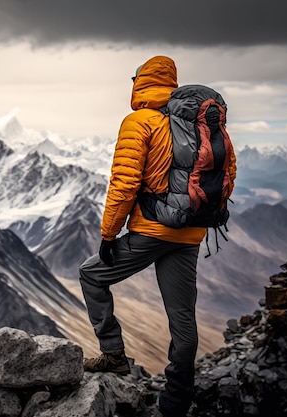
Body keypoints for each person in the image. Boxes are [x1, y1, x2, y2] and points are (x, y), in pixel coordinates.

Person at [78, 55, 237, 417]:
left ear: (140, 82)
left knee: (92, 274)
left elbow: (124, 182)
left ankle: (114, 354)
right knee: (182, 319)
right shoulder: (200, 125)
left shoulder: (140, 121)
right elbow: (229, 170)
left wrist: (108, 233)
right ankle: (176, 401)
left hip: (152, 230)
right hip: (191, 233)